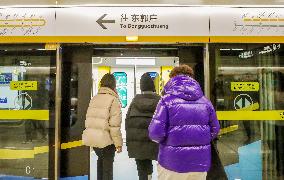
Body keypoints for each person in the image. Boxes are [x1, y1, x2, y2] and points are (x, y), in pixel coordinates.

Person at [148, 65, 220, 180]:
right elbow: (215, 129)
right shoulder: (206, 102)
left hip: (171, 162)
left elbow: (155, 133)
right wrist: (199, 140)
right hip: (199, 163)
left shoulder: (166, 101)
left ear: (172, 79)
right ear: (192, 78)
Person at [82, 73, 123, 180]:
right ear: (114, 85)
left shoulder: (94, 98)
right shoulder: (113, 99)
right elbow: (114, 125)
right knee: (108, 169)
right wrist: (118, 143)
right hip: (107, 141)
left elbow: (89, 120)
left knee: (100, 162)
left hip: (95, 140)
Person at [125, 73, 160, 180]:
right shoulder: (160, 101)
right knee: (163, 168)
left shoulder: (134, 102)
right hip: (156, 143)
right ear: (153, 86)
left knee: (142, 168)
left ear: (141, 87)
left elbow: (128, 122)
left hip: (138, 142)